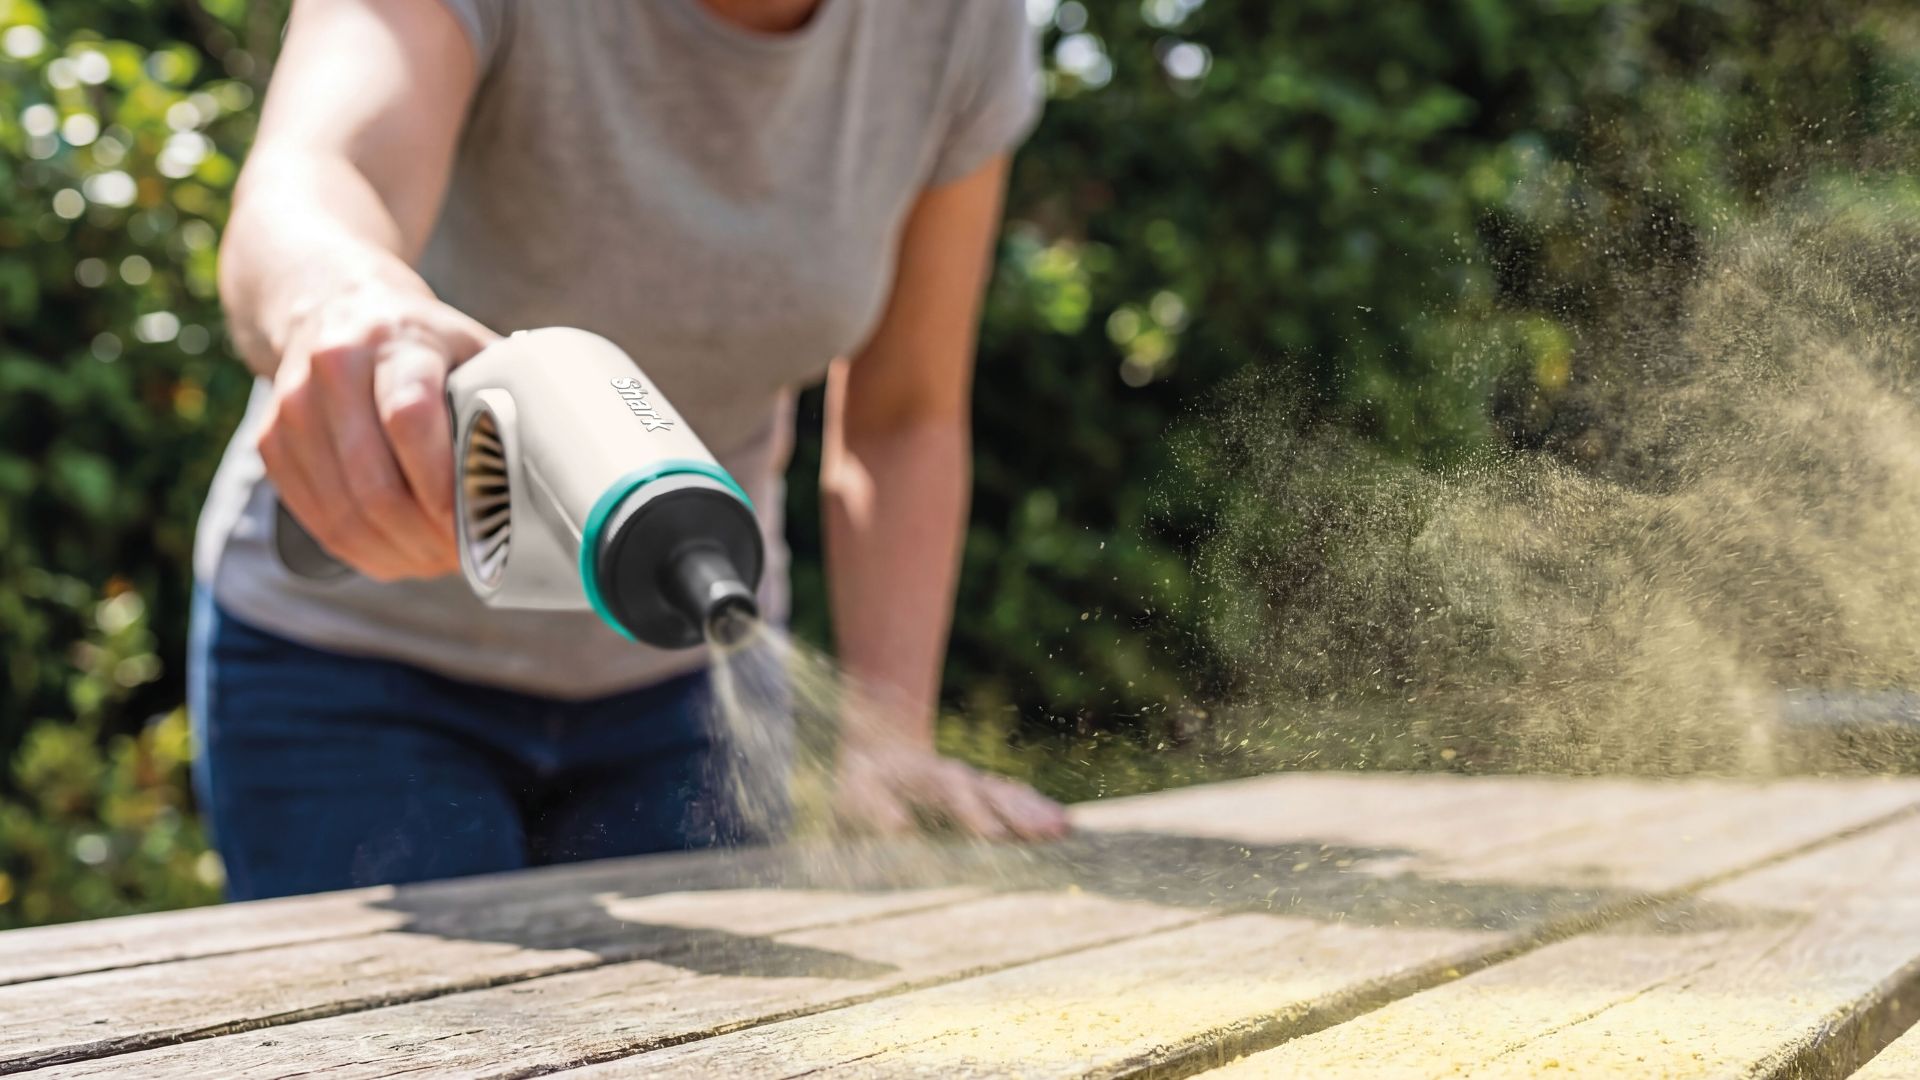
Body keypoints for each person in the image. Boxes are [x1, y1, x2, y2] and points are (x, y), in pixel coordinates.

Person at [190, 0, 1070, 902]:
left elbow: (903, 415)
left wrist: (890, 741)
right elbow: (314, 179)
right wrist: (346, 301)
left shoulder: (958, 22)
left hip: (692, 679)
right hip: (356, 665)